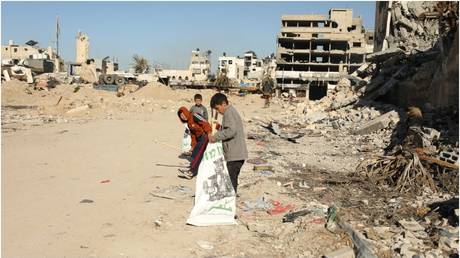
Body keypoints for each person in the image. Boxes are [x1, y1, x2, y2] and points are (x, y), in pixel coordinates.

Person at [208, 93, 248, 194]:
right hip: (236, 154)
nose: (218, 111)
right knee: (231, 179)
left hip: (235, 154)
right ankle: (231, 199)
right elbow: (229, 128)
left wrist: (215, 137)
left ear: (223, 104)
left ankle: (230, 202)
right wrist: (219, 127)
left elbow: (231, 131)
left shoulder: (228, 112)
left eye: (218, 108)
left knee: (230, 180)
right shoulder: (231, 111)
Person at [177, 106, 212, 179]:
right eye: (181, 117)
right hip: (199, 139)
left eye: (183, 115)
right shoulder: (189, 124)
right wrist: (193, 146)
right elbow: (193, 136)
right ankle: (195, 167)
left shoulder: (194, 116)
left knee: (199, 153)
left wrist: (209, 133)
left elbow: (205, 123)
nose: (183, 117)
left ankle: (191, 172)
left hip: (205, 136)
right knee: (195, 153)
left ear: (186, 112)